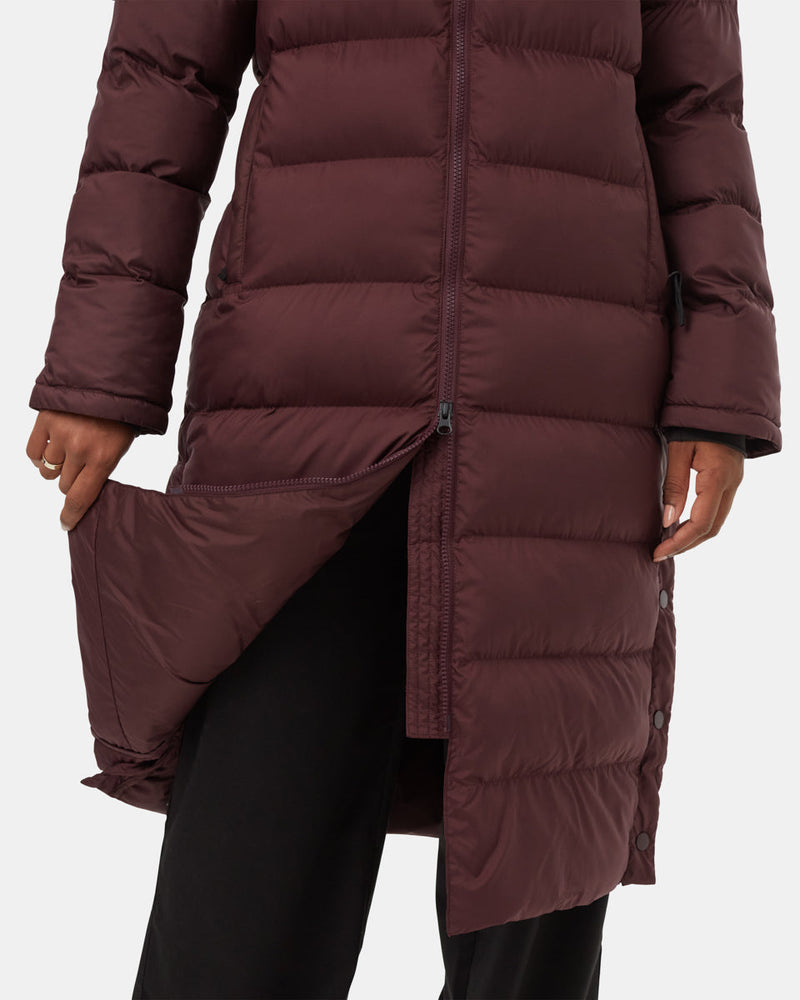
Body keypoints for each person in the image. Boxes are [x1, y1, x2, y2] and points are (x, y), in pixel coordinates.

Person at [26, 2, 781, 998]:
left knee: (537, 865)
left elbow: (694, 110)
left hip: (566, 411)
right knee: (248, 863)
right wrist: (100, 370)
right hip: (298, 411)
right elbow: (162, 79)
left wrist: (720, 393)